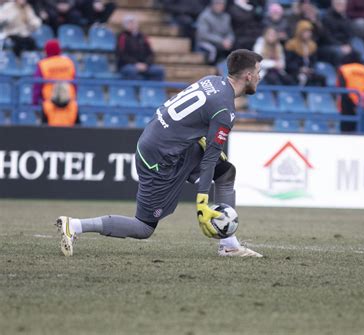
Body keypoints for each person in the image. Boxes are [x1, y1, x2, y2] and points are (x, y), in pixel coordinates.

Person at [55, 49, 264, 258]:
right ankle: (74, 226)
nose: (259, 76)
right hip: (160, 158)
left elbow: (181, 114)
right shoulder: (225, 111)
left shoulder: (211, 81)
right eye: (258, 71)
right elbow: (210, 156)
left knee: (225, 172)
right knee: (143, 227)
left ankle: (229, 245)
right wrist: (202, 201)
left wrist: (195, 137)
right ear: (248, 76)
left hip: (162, 143)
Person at [32, 39, 79, 126]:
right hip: (69, 104)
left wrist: (35, 103)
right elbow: (75, 84)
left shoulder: (43, 64)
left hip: (49, 105)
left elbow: (37, 86)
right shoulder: (68, 62)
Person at [116, 15, 165, 81]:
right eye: (129, 22)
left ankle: (153, 90)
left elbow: (151, 53)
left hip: (145, 65)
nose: (132, 24)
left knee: (159, 71)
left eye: (133, 22)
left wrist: (146, 64)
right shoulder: (122, 36)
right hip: (128, 65)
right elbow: (121, 54)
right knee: (131, 71)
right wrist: (135, 64)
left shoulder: (143, 37)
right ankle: (137, 91)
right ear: (125, 25)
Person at [336, 51, 364, 132]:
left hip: (347, 103)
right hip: (363, 103)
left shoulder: (344, 69)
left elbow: (341, 88)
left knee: (346, 131)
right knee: (361, 131)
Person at [285, 20, 326, 86]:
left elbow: (313, 61)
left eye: (309, 32)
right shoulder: (291, 45)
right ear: (300, 32)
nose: (308, 34)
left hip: (309, 72)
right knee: (298, 78)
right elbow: (288, 63)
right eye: (306, 31)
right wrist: (300, 69)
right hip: (295, 72)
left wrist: (310, 69)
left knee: (321, 78)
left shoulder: (312, 46)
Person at [195, 0, 235, 64]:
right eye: (217, 4)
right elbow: (203, 35)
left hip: (223, 44)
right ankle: (210, 67)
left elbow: (230, 32)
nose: (219, 6)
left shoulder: (226, 17)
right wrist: (221, 41)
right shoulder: (204, 16)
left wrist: (229, 40)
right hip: (205, 43)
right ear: (212, 4)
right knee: (213, 51)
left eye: (222, 4)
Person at [319, 0, 354, 66]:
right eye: (338, 4)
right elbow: (327, 37)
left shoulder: (346, 18)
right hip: (328, 45)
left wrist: (348, 45)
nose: (341, 6)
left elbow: (350, 35)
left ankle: (355, 75)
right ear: (333, 4)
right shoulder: (326, 17)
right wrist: (340, 46)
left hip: (343, 45)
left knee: (355, 54)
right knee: (338, 53)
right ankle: (339, 74)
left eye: (342, 4)